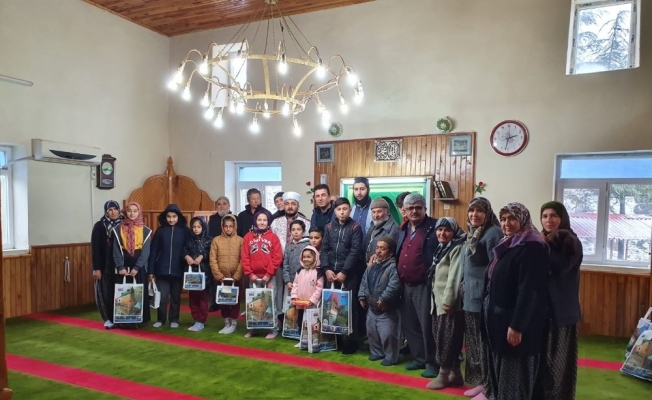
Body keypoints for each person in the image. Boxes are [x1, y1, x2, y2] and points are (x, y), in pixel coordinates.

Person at [482, 203, 550, 400]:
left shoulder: (532, 247)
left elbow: (530, 290)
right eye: (503, 219)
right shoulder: (509, 244)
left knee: (514, 374)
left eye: (512, 218)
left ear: (523, 219)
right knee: (502, 371)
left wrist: (517, 326)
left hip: (516, 322)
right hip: (500, 318)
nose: (506, 223)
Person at [534, 201, 582, 400]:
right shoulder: (541, 239)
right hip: (542, 310)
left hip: (562, 312)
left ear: (562, 218)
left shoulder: (570, 240)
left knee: (558, 362)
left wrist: (544, 245)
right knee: (542, 360)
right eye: (545, 216)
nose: (549, 220)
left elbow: (563, 267)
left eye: (554, 215)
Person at [462, 197, 504, 398]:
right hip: (469, 298)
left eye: (479, 211)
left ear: (487, 213)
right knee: (474, 344)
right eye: (471, 210)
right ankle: (481, 382)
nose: (474, 214)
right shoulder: (471, 232)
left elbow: (496, 268)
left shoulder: (493, 233)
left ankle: (489, 386)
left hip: (483, 299)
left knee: (484, 345)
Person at [396, 193, 438, 378]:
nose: (414, 211)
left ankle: (432, 363)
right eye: (410, 208)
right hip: (405, 285)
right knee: (410, 325)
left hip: (424, 285)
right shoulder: (403, 228)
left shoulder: (435, 227)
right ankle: (419, 358)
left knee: (427, 326)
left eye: (418, 207)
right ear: (404, 211)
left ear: (425, 209)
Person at [426, 217, 467, 390]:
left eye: (447, 230)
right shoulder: (442, 247)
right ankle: (456, 374)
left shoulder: (457, 247)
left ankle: (443, 374)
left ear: (454, 231)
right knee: (444, 338)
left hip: (448, 304)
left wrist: (449, 301)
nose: (442, 233)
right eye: (439, 229)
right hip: (438, 301)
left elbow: (454, 276)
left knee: (447, 340)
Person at [321, 197, 363, 354]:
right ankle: (335, 338)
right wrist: (326, 269)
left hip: (348, 274)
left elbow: (355, 251)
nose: (342, 212)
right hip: (331, 274)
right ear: (335, 211)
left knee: (349, 307)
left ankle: (352, 340)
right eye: (339, 209)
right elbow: (324, 249)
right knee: (332, 306)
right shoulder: (329, 227)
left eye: (345, 209)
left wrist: (344, 271)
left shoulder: (355, 227)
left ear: (350, 210)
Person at [359, 237, 402, 366]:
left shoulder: (393, 267)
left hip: (386, 308)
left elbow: (394, 286)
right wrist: (361, 296)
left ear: (391, 252)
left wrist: (384, 298)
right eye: (377, 248)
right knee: (372, 332)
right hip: (371, 307)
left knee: (388, 334)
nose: (378, 251)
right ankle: (377, 352)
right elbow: (364, 281)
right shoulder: (372, 265)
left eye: (382, 249)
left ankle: (391, 357)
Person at [271, 191, 311, 327]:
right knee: (278, 291)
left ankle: (296, 323)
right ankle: (279, 319)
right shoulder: (275, 222)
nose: (290, 206)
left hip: (298, 266)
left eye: (293, 204)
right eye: (287, 203)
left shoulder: (306, 222)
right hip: (278, 263)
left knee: (297, 291)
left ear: (298, 206)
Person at [241, 209, 283, 339]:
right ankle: (254, 328)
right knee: (253, 302)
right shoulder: (248, 237)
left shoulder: (273, 237)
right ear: (255, 221)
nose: (262, 222)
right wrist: (250, 274)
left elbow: (277, 257)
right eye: (259, 220)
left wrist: (268, 274)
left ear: (268, 221)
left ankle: (273, 329)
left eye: (265, 220)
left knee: (270, 302)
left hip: (269, 277)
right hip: (253, 277)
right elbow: (244, 257)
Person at [148, 204, 191, 329]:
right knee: (162, 297)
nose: (171, 219)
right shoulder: (160, 231)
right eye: (169, 216)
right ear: (165, 217)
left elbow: (188, 250)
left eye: (174, 216)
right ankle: (161, 319)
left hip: (178, 271)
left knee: (175, 298)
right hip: (161, 271)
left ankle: (174, 319)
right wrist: (151, 271)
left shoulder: (185, 231)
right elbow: (153, 251)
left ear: (178, 217)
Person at [112, 201, 152, 327]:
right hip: (124, 264)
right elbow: (116, 250)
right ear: (125, 212)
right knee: (124, 292)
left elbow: (146, 252)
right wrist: (120, 266)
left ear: (139, 212)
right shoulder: (118, 229)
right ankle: (124, 320)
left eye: (135, 211)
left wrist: (137, 267)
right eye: (129, 211)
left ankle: (139, 320)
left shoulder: (145, 230)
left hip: (139, 266)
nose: (132, 213)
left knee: (138, 291)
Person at [209, 214, 243, 335]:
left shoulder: (240, 240)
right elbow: (212, 260)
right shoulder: (216, 240)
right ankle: (226, 322)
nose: (228, 229)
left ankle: (234, 323)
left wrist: (236, 276)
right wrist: (219, 276)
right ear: (222, 227)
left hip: (235, 278)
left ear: (235, 227)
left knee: (234, 301)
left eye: (231, 226)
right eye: (226, 226)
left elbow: (243, 260)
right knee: (223, 301)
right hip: (222, 278)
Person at [92, 200, 123, 329]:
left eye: (115, 209)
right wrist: (96, 268)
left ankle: (123, 318)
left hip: (121, 266)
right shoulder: (100, 226)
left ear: (119, 210)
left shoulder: (125, 224)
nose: (113, 212)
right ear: (106, 212)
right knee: (107, 294)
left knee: (121, 293)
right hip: (105, 267)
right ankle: (109, 318)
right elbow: (95, 249)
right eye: (110, 210)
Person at [291, 245, 324, 347]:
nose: (306, 259)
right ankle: (302, 340)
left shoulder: (318, 272)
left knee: (312, 322)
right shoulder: (299, 271)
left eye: (309, 257)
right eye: (304, 257)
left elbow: (319, 288)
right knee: (301, 321)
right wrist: (294, 296)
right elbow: (295, 284)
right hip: (301, 303)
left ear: (315, 257)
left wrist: (313, 300)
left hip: (312, 304)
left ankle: (314, 341)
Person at [184, 217, 212, 332]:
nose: (196, 229)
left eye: (199, 227)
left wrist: (202, 256)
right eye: (194, 227)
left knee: (203, 299)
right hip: (191, 275)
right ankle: (196, 319)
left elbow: (212, 254)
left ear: (203, 227)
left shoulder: (209, 240)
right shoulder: (189, 240)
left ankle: (201, 321)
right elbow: (183, 251)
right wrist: (187, 256)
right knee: (193, 299)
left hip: (204, 274)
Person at [207, 196, 231, 311]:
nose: (222, 206)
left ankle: (227, 302)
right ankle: (215, 303)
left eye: (224, 204)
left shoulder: (234, 218)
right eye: (219, 204)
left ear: (229, 205)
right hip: (216, 252)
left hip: (230, 253)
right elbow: (209, 236)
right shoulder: (212, 219)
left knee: (228, 278)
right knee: (215, 278)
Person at [363, 197, 401, 263]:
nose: (376, 215)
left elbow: (391, 255)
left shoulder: (394, 230)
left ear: (388, 212)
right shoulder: (373, 225)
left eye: (379, 212)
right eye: (373, 212)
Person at [282, 220, 310, 294]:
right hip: (291, 282)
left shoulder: (308, 245)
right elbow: (285, 265)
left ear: (303, 231)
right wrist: (287, 281)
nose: (296, 232)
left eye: (298, 229)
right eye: (293, 230)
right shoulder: (288, 246)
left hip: (305, 280)